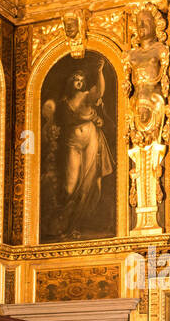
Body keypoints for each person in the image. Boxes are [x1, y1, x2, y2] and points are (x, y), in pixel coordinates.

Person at [42, 54, 115, 240]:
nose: (79, 82)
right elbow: (50, 122)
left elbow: (99, 91)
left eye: (82, 80)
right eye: (76, 79)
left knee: (89, 181)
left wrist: (99, 72)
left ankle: (75, 226)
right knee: (70, 185)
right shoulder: (63, 103)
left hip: (91, 139)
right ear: (70, 82)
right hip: (72, 144)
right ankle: (63, 223)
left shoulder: (87, 97)